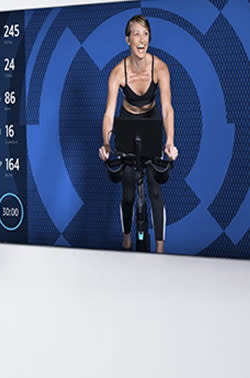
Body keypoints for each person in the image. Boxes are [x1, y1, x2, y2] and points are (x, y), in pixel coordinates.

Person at [98, 14, 179, 253]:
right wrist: (106, 143)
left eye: (145, 34)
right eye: (136, 34)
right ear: (128, 40)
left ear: (149, 39)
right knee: (128, 185)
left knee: (155, 185)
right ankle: (126, 238)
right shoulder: (117, 73)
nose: (141, 39)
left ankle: (160, 249)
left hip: (151, 121)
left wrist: (171, 142)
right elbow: (108, 114)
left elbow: (167, 108)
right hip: (127, 121)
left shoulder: (160, 68)